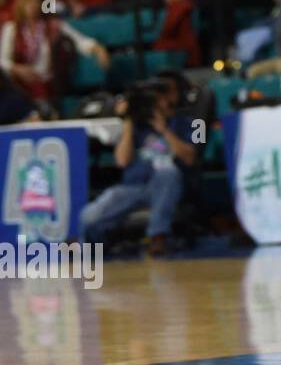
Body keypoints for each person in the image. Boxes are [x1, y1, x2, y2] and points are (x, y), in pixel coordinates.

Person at [79, 77, 197, 256]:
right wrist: (128, 121)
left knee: (168, 172)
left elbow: (190, 158)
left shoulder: (192, 122)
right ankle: (91, 245)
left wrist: (164, 129)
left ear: (168, 100)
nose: (154, 105)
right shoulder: (135, 127)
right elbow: (122, 161)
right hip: (134, 188)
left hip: (167, 187)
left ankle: (157, 236)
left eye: (157, 100)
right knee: (89, 216)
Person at [0, 0, 110, 105]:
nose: (32, 6)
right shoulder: (11, 29)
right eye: (28, 2)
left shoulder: (53, 26)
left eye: (36, 2)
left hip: (46, 82)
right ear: (21, 5)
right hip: (17, 83)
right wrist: (17, 69)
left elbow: (79, 41)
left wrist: (98, 49)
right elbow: (3, 61)